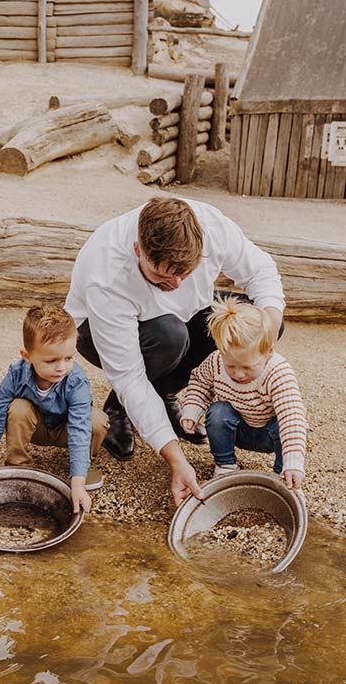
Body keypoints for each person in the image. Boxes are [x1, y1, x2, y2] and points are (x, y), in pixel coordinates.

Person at [65, 196, 285, 507]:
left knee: (251, 324)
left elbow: (260, 269)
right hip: (97, 329)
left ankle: (165, 392)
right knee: (169, 337)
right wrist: (177, 461)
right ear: (138, 250)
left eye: (185, 271)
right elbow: (129, 376)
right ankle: (118, 409)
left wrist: (271, 325)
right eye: (163, 275)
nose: (177, 283)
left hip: (182, 316)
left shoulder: (211, 226)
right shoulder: (106, 275)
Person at [0, 305, 109, 514]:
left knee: (97, 421)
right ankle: (18, 466)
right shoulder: (16, 374)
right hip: (36, 428)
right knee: (18, 408)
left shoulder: (76, 381)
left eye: (69, 358)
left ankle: (82, 466)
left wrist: (77, 485)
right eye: (51, 360)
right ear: (27, 356)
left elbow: (79, 429)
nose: (61, 367)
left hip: (66, 430)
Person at [180, 297, 306, 488]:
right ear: (221, 351)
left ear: (268, 353)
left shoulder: (278, 373)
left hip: (269, 434)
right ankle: (225, 466)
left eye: (248, 367)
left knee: (285, 423)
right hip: (238, 429)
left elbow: (292, 417)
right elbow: (200, 382)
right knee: (218, 411)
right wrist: (192, 409)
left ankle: (285, 476)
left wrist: (294, 463)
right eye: (231, 365)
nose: (238, 374)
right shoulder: (216, 362)